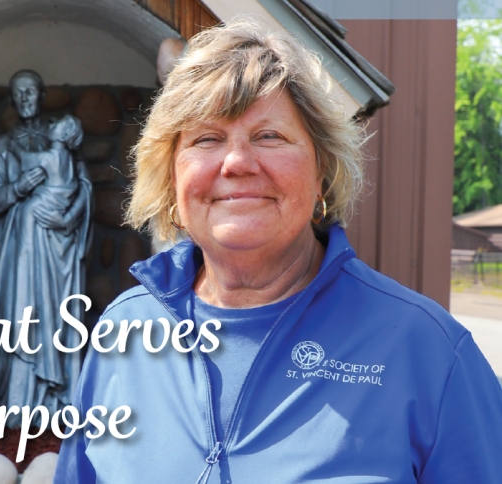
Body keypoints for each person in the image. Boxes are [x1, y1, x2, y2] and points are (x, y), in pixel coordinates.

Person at [54, 19, 502, 483]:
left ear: (321, 172)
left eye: (269, 136)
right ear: (171, 179)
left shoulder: (429, 352)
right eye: (206, 138)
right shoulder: (124, 333)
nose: (237, 163)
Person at [0, 70, 92, 428]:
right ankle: (20, 398)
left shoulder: (62, 136)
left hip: (59, 240)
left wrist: (69, 218)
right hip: (23, 245)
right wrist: (17, 187)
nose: (26, 99)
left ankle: (59, 395)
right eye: (19, 94)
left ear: (42, 94)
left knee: (57, 312)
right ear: (12, 100)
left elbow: (83, 187)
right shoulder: (6, 144)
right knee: (23, 312)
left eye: (31, 91)